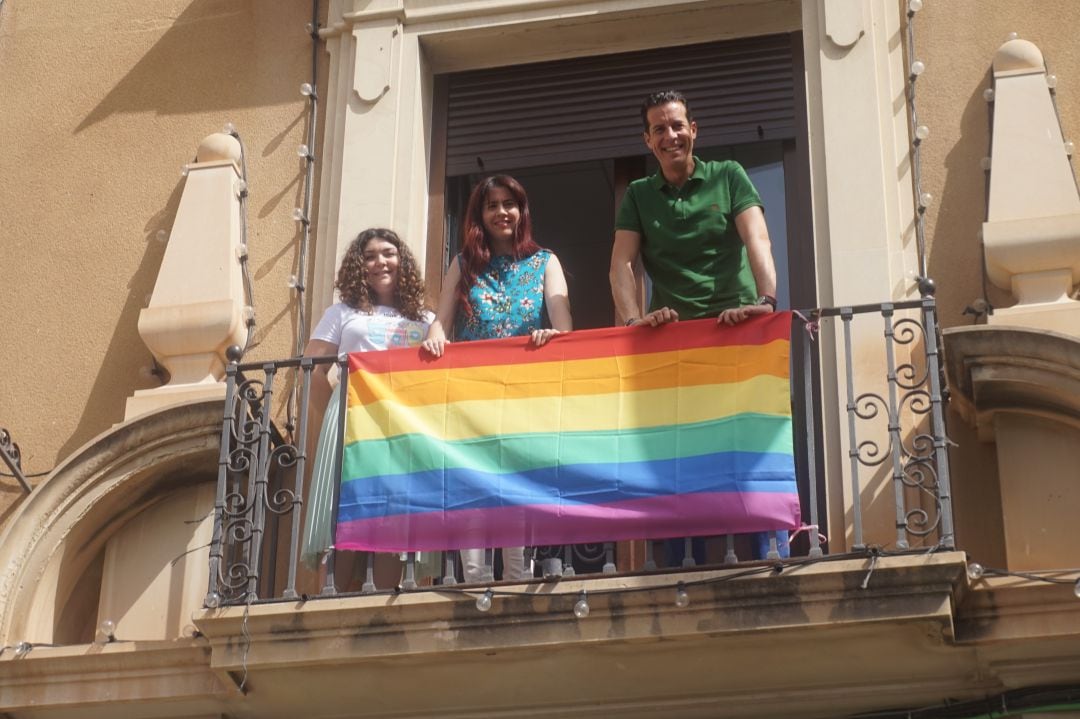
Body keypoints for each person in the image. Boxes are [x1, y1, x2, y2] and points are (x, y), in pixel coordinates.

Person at [609, 89, 789, 564]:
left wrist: (765, 302)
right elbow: (620, 266)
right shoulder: (639, 195)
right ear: (647, 140)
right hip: (675, 344)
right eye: (660, 129)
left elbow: (759, 239)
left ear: (694, 130)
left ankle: (766, 553)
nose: (671, 135)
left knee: (748, 442)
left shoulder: (729, 176)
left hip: (738, 333)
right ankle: (672, 561)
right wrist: (634, 321)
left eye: (677, 125)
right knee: (675, 452)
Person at [422, 174, 573, 583]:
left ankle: (517, 578)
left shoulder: (545, 261)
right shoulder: (463, 265)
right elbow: (441, 321)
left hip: (525, 394)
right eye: (492, 205)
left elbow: (564, 327)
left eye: (510, 203)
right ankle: (473, 579)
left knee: (515, 482)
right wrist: (435, 339)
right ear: (480, 215)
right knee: (476, 480)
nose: (502, 212)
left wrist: (551, 336)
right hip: (474, 394)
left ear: (521, 211)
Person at [301, 228, 434, 579]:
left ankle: (386, 606)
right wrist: (335, 413)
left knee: (396, 509)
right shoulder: (342, 312)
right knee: (348, 507)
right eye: (370, 256)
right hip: (352, 416)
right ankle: (334, 600)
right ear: (358, 267)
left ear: (401, 260)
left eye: (388, 253)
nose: (380, 262)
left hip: (405, 422)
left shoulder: (426, 319)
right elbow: (313, 369)